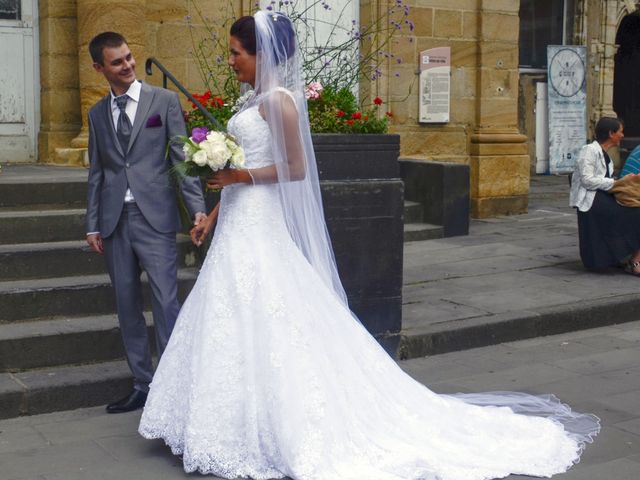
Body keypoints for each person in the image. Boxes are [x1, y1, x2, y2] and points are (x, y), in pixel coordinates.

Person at [139, 11, 599, 479]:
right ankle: (219, 423)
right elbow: (237, 175)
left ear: (262, 55)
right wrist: (212, 215)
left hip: (261, 224)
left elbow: (295, 170)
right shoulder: (251, 98)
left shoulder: (279, 102)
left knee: (262, 310)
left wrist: (241, 175)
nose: (231, 60)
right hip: (238, 218)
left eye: (237, 53)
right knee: (229, 312)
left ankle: (271, 424)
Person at [85, 32, 206, 414]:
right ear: (99, 68)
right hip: (114, 220)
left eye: (129, 57)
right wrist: (92, 224)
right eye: (117, 62)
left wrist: (197, 209)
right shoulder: (97, 114)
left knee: (166, 301)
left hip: (155, 217)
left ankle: (171, 386)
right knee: (126, 305)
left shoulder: (164, 101)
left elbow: (181, 160)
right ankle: (143, 383)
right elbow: (97, 172)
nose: (128, 65)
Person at [569, 117, 640, 274]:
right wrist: (616, 183)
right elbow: (587, 180)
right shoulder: (589, 150)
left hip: (602, 197)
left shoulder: (606, 155)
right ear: (611, 133)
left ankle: (622, 256)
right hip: (592, 200)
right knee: (636, 213)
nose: (622, 135)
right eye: (620, 132)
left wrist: (621, 181)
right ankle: (635, 261)